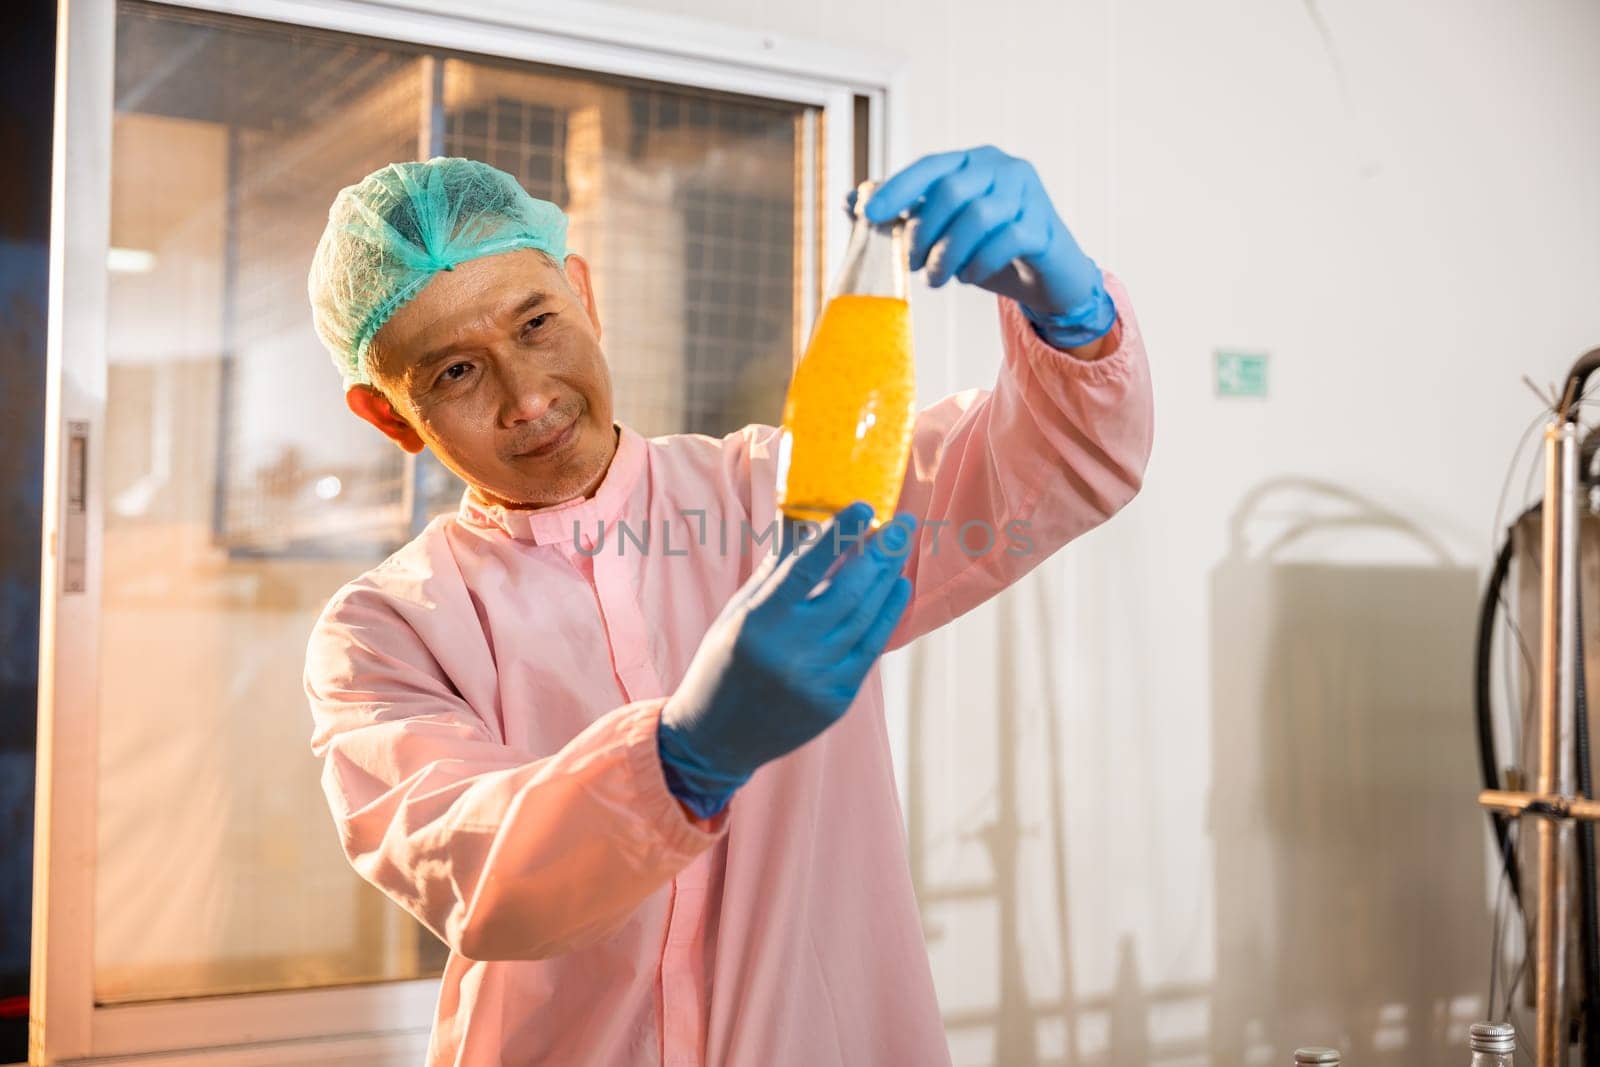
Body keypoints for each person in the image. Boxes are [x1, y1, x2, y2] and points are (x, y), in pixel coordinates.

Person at [303, 146, 1153, 1066]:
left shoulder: (786, 496)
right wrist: (680, 757)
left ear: (584, 294)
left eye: (538, 321)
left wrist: (1070, 315)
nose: (529, 396)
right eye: (455, 373)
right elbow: (483, 875)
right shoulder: (384, 634)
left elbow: (1050, 466)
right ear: (388, 415)